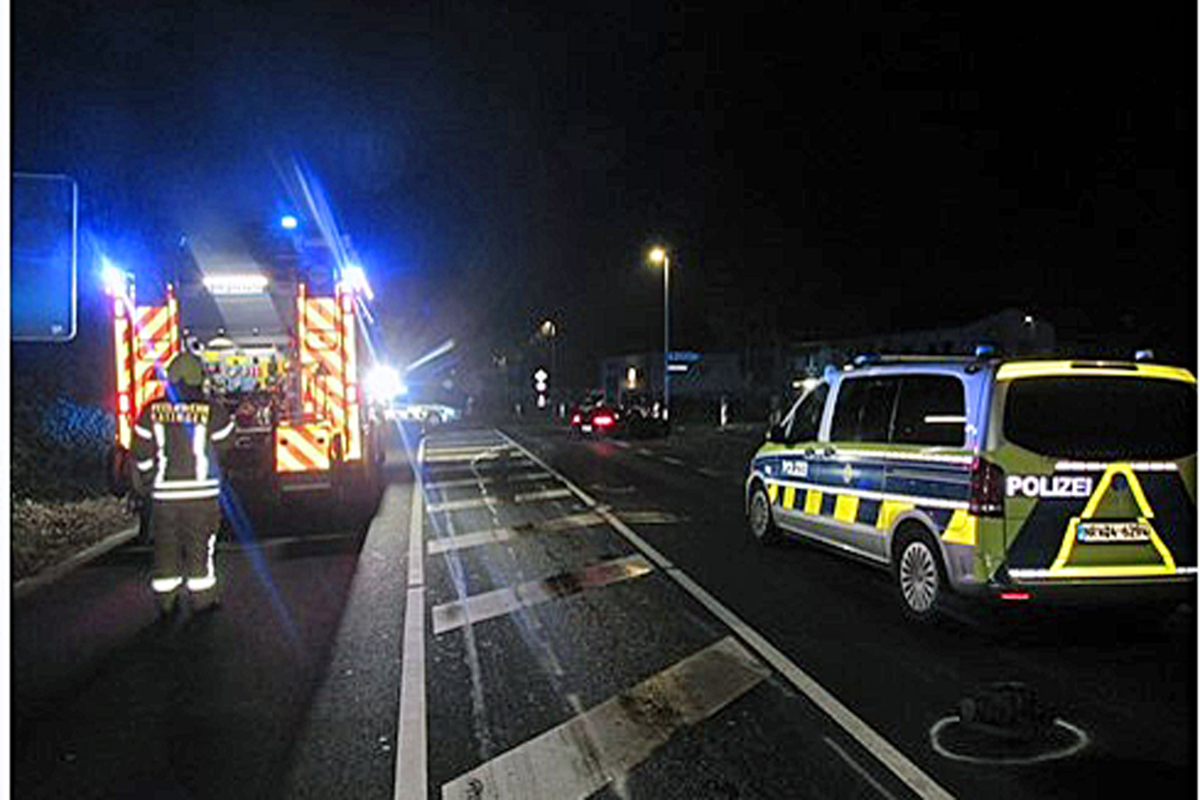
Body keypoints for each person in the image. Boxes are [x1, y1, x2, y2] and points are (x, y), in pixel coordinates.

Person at [132, 351, 234, 618]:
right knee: (200, 548)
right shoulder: (213, 411)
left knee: (165, 548)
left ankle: (166, 602)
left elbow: (140, 452)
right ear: (199, 379)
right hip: (202, 496)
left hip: (164, 497)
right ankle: (202, 601)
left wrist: (147, 478)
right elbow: (226, 443)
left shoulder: (151, 411)